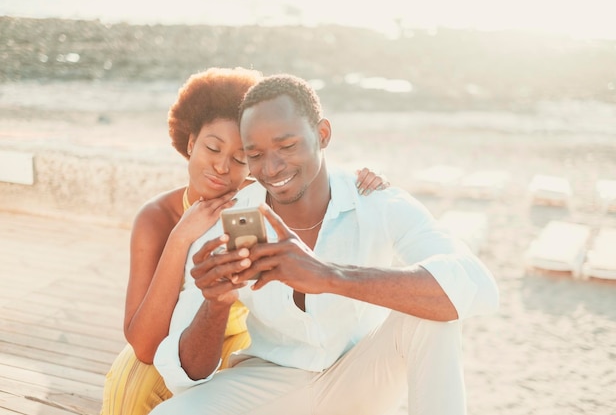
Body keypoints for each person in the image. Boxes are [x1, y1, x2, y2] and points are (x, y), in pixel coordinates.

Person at [150, 74, 499, 415]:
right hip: (268, 384)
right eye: (254, 155)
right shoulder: (234, 222)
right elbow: (187, 375)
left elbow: (478, 286)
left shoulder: (375, 202)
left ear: (322, 134)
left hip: (360, 377)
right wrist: (216, 304)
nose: (271, 168)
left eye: (287, 146)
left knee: (434, 314)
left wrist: (331, 276)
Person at [100, 68, 388, 415]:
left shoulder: (258, 206)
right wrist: (180, 239)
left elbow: (308, 171)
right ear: (191, 144)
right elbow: (145, 347)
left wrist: (358, 178)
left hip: (239, 348)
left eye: (240, 159)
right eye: (212, 148)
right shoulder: (158, 217)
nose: (222, 167)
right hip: (165, 350)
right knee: (135, 392)